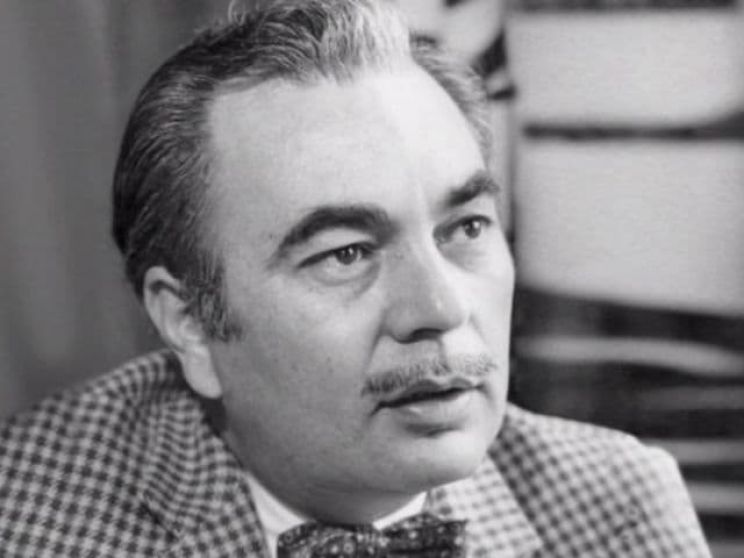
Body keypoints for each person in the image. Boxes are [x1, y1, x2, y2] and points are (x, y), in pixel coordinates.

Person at [0, 1, 711, 556]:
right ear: (190, 322)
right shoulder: (26, 515)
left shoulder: (617, 508)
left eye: (466, 228)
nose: (441, 308)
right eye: (345, 254)